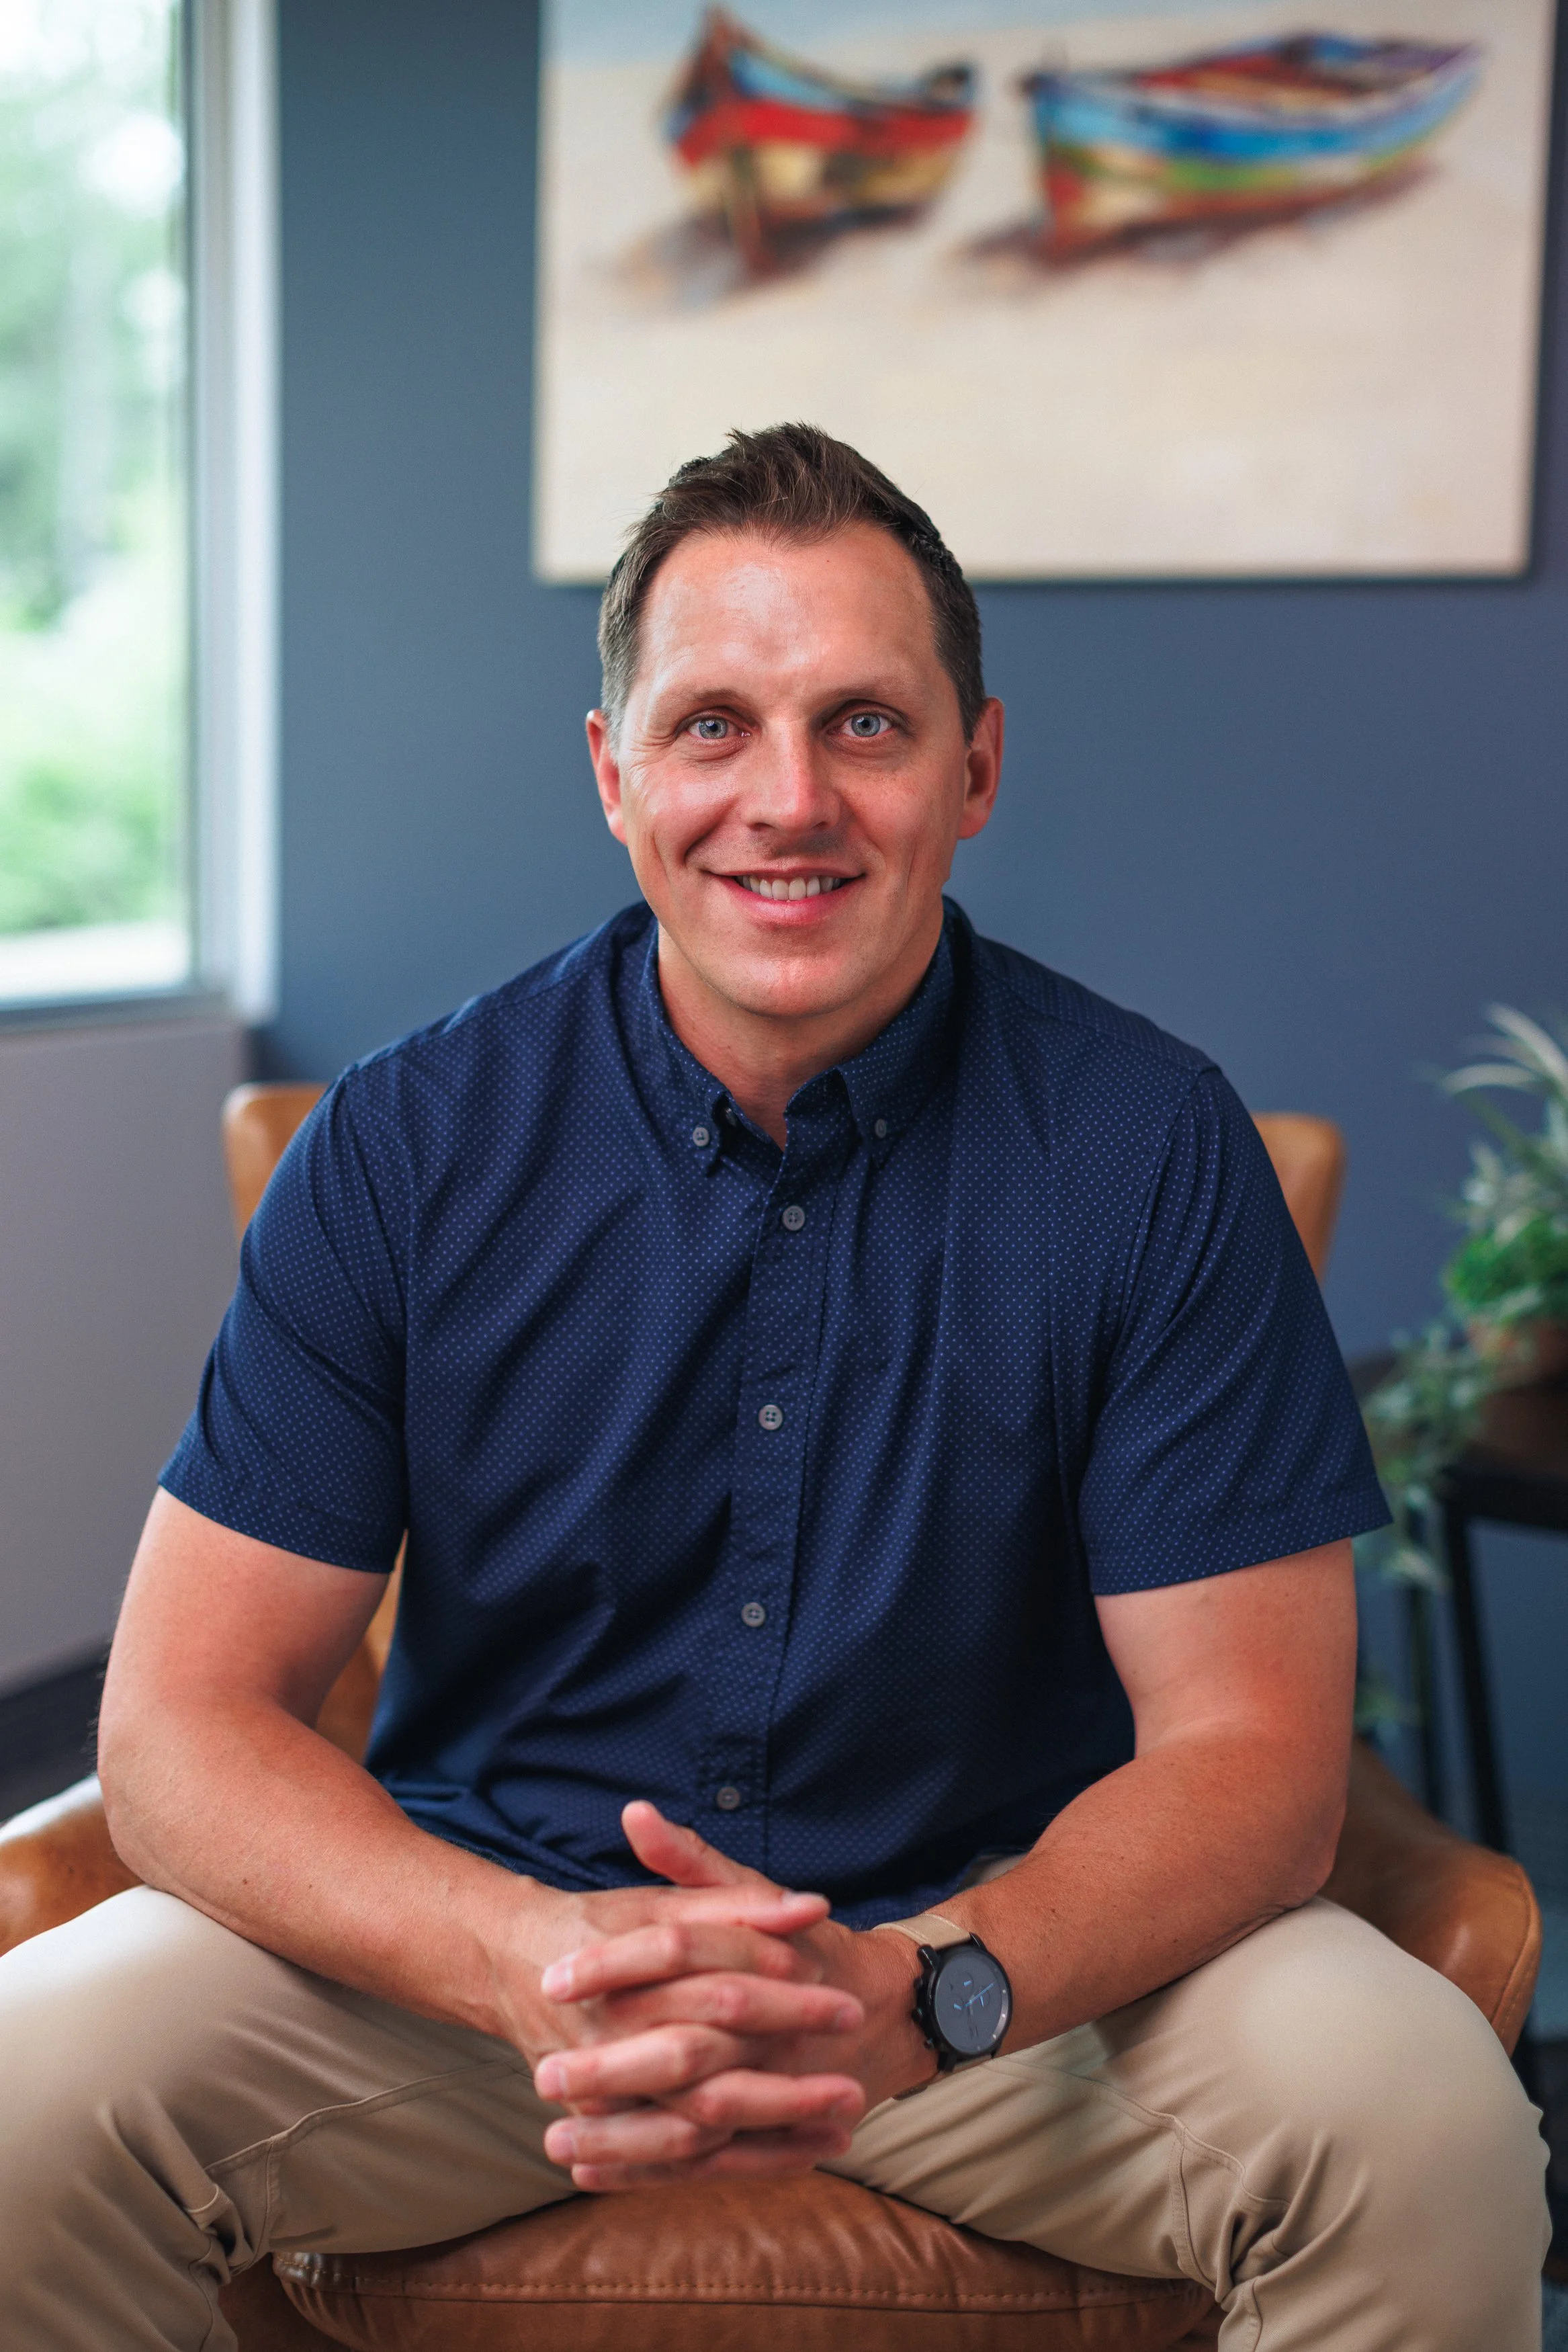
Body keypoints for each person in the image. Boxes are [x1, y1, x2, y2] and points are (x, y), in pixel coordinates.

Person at [0, 425, 1547, 2350]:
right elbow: (176, 1724)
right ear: (614, 771)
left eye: (866, 727)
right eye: (714, 724)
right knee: (24, 2090)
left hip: (1009, 1987)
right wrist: (520, 1953)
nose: (787, 800)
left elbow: (1247, 1754)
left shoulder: (1149, 1149)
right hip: (495, 1978)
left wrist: (925, 1987)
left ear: (973, 765)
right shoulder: (404, 1145)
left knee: (1419, 2121)